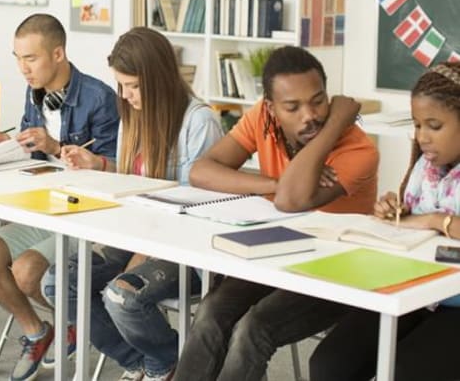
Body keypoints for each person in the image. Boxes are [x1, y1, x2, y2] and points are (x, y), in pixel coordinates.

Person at [173, 45, 379, 381]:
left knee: (253, 329)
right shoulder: (261, 119)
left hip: (338, 271)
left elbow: (290, 201)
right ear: (271, 108)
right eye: (292, 107)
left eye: (318, 100)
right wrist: (274, 181)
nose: (309, 115)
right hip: (276, 255)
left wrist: (334, 126)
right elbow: (201, 171)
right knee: (211, 311)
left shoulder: (359, 150)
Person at [42, 27, 223, 381]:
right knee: (59, 282)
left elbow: (193, 209)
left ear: (159, 79)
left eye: (133, 86)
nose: (124, 94)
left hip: (184, 248)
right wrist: (101, 165)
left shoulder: (198, 122)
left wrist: (141, 251)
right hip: (136, 235)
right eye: (121, 85)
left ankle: (174, 367)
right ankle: (152, 362)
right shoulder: (132, 114)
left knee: (122, 296)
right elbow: (133, 182)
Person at [0, 13, 120, 381]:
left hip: (85, 214)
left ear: (58, 54)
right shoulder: (34, 90)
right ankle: (38, 332)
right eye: (17, 58)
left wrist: (55, 146)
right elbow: (34, 149)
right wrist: (8, 144)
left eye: (31, 58)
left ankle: (74, 321)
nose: (23, 69)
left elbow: (114, 174)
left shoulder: (99, 98)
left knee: (25, 272)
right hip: (43, 205)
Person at [308, 61, 460, 381]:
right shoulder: (425, 169)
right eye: (417, 125)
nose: (423, 137)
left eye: (434, 125)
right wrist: (395, 211)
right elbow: (412, 219)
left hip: (453, 300)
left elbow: (431, 221)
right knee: (330, 363)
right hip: (417, 289)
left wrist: (433, 220)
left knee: (407, 370)